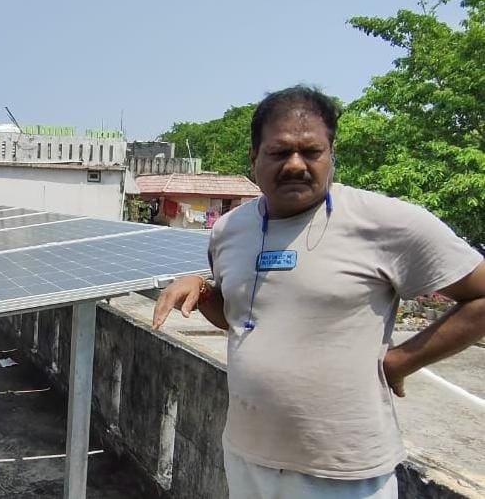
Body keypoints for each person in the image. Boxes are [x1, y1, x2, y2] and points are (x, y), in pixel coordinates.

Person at [153, 86, 485, 499]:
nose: (295, 164)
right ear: (254, 157)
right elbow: (242, 317)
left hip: (343, 474)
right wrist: (203, 291)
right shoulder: (230, 229)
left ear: (331, 154)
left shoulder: (386, 222)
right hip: (247, 459)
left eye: (311, 151)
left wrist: (402, 360)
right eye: (279, 152)